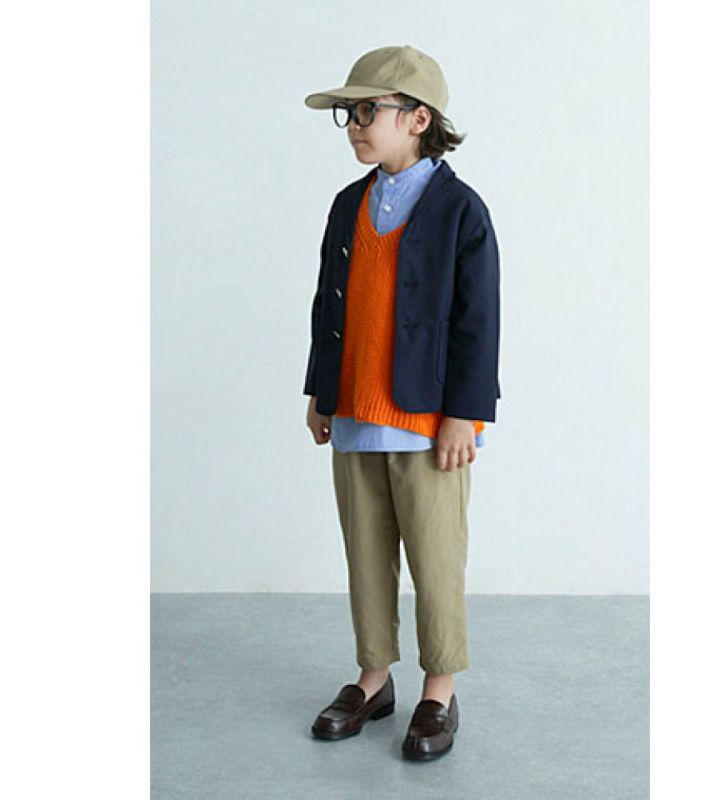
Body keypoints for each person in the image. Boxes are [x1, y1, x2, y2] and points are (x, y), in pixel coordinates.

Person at [302, 44, 501, 761]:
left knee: (436, 558)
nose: (355, 125)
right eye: (349, 115)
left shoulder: (460, 210)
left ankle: (439, 688)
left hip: (425, 422)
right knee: (365, 553)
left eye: (366, 110)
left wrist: (464, 414)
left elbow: (479, 320)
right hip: (356, 411)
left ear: (419, 119)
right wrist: (321, 390)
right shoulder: (347, 205)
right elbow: (328, 306)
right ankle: (373, 678)